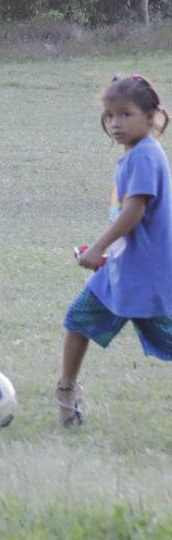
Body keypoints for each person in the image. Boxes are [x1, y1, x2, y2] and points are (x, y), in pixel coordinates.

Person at [58, 74, 172, 426]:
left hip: (146, 279)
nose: (115, 123)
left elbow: (134, 213)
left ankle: (66, 392)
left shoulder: (144, 156)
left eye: (125, 114)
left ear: (151, 116)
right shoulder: (135, 155)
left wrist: (98, 247)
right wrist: (104, 254)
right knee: (78, 320)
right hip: (121, 271)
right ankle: (66, 393)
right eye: (110, 116)